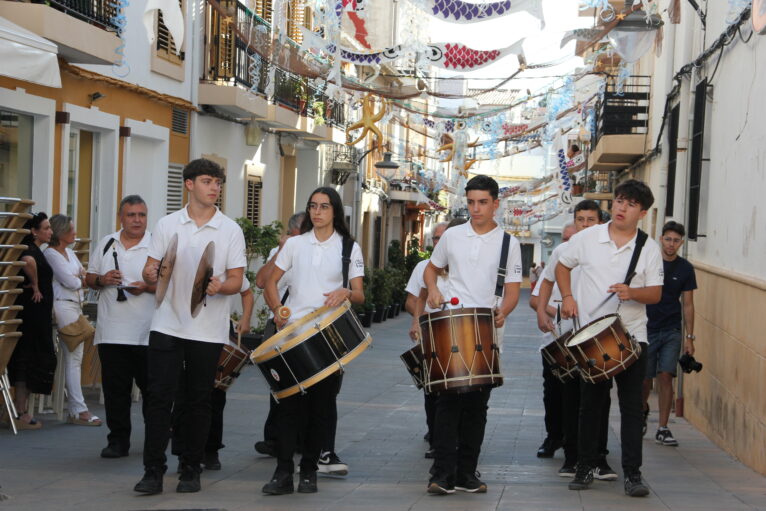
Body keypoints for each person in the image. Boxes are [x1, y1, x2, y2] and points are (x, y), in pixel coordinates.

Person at [134, 158, 245, 495]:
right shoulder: (168, 224)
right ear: (190, 184)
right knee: (158, 398)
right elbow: (150, 269)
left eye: (218, 183)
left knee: (198, 400)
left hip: (208, 328)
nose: (215, 188)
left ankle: (190, 469)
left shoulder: (229, 230)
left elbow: (238, 279)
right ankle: (153, 471)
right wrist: (150, 274)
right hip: (166, 323)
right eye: (209, 181)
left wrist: (219, 287)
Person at [555, 179, 663, 497]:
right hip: (591, 337)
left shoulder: (649, 248)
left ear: (641, 212)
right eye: (619, 201)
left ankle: (633, 474)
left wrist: (632, 292)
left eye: (630, 204)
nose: (621, 208)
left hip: (632, 336)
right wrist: (567, 296)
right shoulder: (587, 238)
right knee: (590, 406)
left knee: (631, 408)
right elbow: (562, 265)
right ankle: (586, 466)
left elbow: (656, 294)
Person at [262, 186, 364, 495]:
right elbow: (270, 281)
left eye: (323, 206)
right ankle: (282, 472)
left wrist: (346, 292)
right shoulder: (294, 244)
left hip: (329, 336)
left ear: (335, 211)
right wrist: (278, 310)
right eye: (312, 206)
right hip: (294, 334)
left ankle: (309, 471)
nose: (317, 212)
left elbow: (359, 293)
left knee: (321, 406)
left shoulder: (348, 247)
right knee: (288, 405)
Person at [424, 175, 522, 495]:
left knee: (477, 407)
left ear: (495, 204)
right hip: (453, 326)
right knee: (447, 402)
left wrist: (504, 311)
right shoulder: (452, 236)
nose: (476, 208)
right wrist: (434, 290)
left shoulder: (509, 243)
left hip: (487, 332)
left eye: (482, 202)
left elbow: (512, 290)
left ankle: (466, 473)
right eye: (471, 202)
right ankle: (441, 474)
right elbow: (431, 268)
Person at [533, 201, 616, 481]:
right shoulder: (562, 250)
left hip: (599, 336)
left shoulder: (609, 251)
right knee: (569, 398)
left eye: (590, 220)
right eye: (580, 219)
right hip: (567, 334)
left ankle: (599, 458)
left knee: (600, 399)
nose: (584, 225)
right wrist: (542, 314)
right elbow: (545, 282)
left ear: (600, 221)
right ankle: (571, 457)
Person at [86, 196, 154, 457]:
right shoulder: (106, 243)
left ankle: (155, 439)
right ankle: (118, 441)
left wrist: (145, 287)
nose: (137, 220)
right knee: (116, 392)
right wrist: (102, 279)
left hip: (147, 332)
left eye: (142, 215)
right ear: (121, 217)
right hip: (112, 331)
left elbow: (169, 286)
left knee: (152, 392)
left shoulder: (156, 245)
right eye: (131, 215)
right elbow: (89, 277)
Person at [172, 278, 254, 471]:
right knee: (182, 394)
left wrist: (246, 319)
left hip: (214, 332)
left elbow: (247, 292)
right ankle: (184, 452)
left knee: (214, 393)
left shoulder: (226, 262)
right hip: (181, 330)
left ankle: (210, 450)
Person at [253, 211, 305, 458]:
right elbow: (262, 282)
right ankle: (274, 438)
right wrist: (280, 252)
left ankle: (303, 439)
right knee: (279, 384)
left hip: (306, 328)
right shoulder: (282, 251)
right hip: (281, 327)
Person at [44, 215, 102, 427]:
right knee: (74, 358)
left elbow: (82, 275)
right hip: (63, 306)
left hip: (75, 306)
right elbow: (71, 280)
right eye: (71, 230)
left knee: (74, 358)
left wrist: (80, 279)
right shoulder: (51, 254)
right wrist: (80, 279)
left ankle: (78, 408)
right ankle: (78, 409)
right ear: (61, 233)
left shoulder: (68, 252)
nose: (75, 233)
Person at [643, 221, 697, 446]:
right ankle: (641, 411)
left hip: (672, 329)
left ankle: (663, 427)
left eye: (676, 240)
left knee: (666, 376)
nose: (671, 244)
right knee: (644, 379)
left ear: (681, 242)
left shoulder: (685, 268)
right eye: (668, 239)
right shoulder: (649, 263)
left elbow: (688, 304)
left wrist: (689, 338)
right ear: (661, 239)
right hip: (645, 328)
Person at [404, 220, 450, 459]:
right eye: (435, 238)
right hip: (430, 335)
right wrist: (421, 320)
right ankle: (434, 436)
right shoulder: (424, 266)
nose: (438, 243)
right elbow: (412, 301)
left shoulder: (461, 267)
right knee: (431, 391)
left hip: (455, 336)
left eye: (443, 238)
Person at [7, 212, 55, 430]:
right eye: (46, 228)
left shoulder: (36, 249)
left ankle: (20, 409)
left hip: (38, 313)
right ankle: (21, 411)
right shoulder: (29, 249)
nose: (50, 232)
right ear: (34, 231)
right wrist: (35, 285)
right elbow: (28, 261)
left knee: (30, 358)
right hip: (31, 314)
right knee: (26, 358)